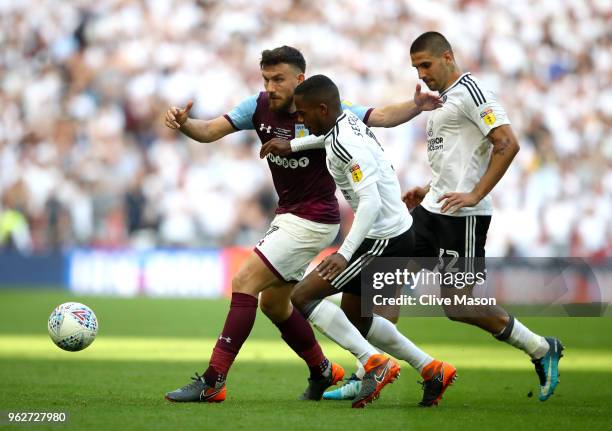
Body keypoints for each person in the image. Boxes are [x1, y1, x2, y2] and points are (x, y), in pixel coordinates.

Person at [163, 46, 443, 403]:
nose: (271, 87)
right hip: (290, 214)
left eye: (278, 79)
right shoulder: (257, 106)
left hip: (313, 217)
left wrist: (416, 105)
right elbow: (209, 130)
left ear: (300, 80)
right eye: (266, 79)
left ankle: (213, 380)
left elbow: (382, 116)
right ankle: (323, 370)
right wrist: (185, 124)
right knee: (275, 305)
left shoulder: (324, 109)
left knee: (245, 281)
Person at [402, 32, 563, 402]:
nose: (421, 73)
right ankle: (380, 369)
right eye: (416, 68)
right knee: (385, 283)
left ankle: (540, 347)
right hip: (432, 209)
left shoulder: (474, 93)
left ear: (447, 56)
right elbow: (459, 159)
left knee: (457, 305)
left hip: (464, 216)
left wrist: (476, 194)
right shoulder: (441, 101)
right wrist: (428, 189)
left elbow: (507, 143)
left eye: (425, 65)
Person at [283, 74, 456, 409]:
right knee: (356, 316)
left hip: (383, 238)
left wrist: (345, 253)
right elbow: (326, 140)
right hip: (395, 232)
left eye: (303, 114)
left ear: (322, 108)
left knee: (302, 296)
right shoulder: (342, 121)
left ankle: (375, 363)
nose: (300, 121)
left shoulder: (348, 144)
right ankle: (433, 369)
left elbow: (371, 202)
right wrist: (291, 145)